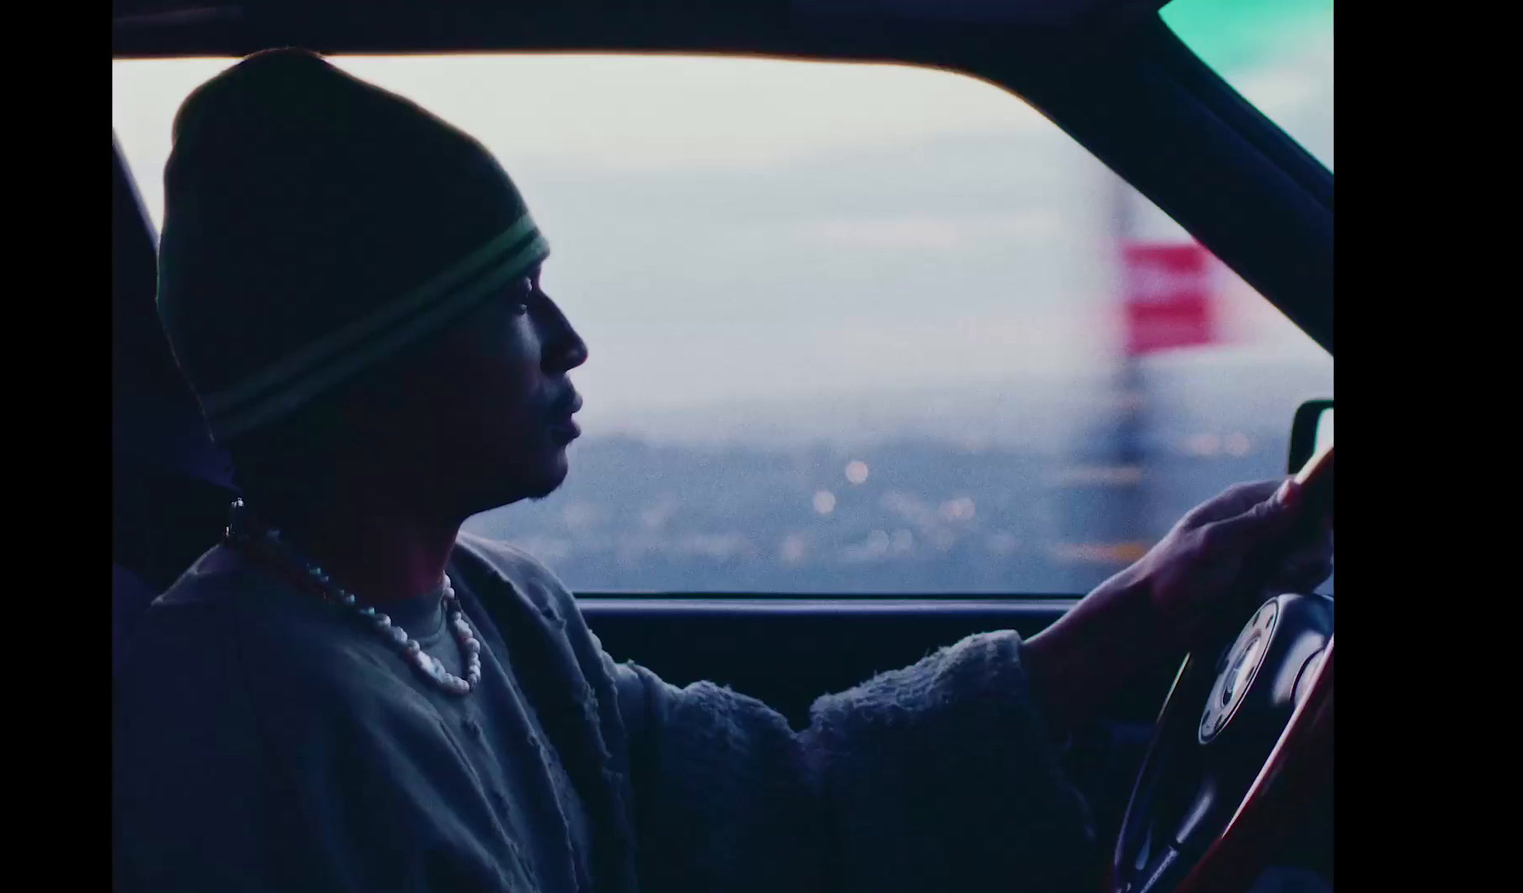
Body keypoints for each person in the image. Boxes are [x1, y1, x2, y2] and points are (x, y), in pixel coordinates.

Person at [112, 48, 1333, 893]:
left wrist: (1147, 605)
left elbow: (776, 797)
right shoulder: (246, 719)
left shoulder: (498, 608)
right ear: (371, 359)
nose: (567, 341)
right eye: (509, 302)